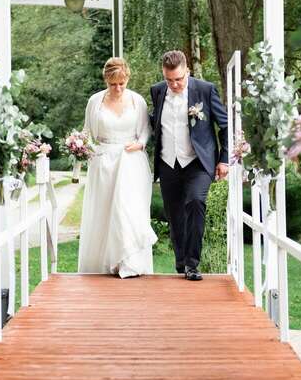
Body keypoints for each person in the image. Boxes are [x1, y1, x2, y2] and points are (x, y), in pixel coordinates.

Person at [150, 50, 228, 281]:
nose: (174, 84)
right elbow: (155, 124)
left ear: (188, 71)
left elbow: (225, 126)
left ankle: (193, 264)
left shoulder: (205, 89)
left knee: (195, 202)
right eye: (169, 80)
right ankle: (181, 262)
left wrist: (224, 159)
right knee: (174, 215)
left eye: (179, 79)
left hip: (198, 162)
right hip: (167, 162)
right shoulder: (157, 91)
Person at [77, 57, 157, 277]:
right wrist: (86, 149)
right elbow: (87, 133)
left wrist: (141, 143)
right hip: (103, 163)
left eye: (122, 83)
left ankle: (129, 263)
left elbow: (145, 130)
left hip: (131, 162)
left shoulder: (137, 101)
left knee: (127, 211)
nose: (118, 88)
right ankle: (105, 263)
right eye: (113, 84)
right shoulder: (95, 101)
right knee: (105, 212)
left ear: (127, 78)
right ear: (106, 80)